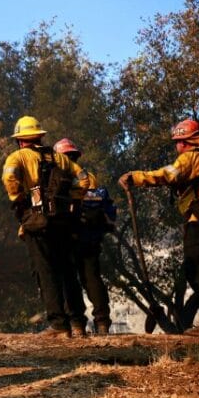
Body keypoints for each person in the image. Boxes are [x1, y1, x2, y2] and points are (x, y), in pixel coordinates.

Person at [118, 119, 199, 337]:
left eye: (179, 142)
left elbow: (169, 174)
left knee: (194, 267)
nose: (178, 147)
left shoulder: (192, 157)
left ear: (188, 141)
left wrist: (135, 177)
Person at [2, 117, 92, 338]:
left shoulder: (17, 157)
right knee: (68, 271)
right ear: (40, 137)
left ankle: (59, 325)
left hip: (37, 222)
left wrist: (19, 201)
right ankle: (78, 323)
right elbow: (85, 179)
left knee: (47, 272)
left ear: (20, 140)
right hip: (63, 221)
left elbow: (9, 177)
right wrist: (74, 197)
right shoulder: (60, 158)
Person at [53, 138, 116, 335]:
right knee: (92, 279)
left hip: (68, 238)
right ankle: (102, 322)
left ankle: (77, 324)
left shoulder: (59, 179)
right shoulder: (89, 178)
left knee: (69, 281)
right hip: (90, 238)